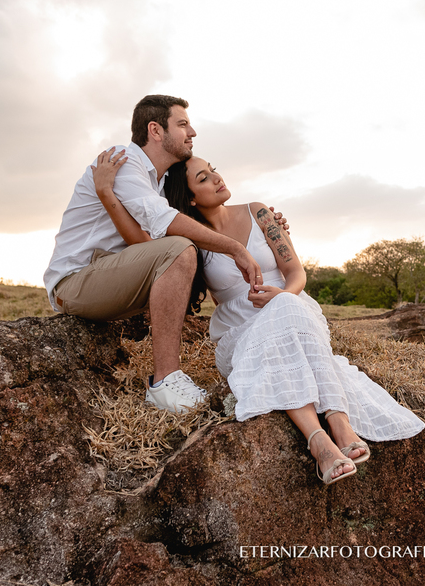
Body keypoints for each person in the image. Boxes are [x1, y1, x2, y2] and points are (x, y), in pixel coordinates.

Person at [92, 153, 425, 485]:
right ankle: (332, 432)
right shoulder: (191, 238)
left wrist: (284, 296)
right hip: (240, 331)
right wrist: (107, 192)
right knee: (287, 341)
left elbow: (295, 272)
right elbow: (143, 243)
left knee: (287, 313)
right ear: (189, 196)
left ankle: (327, 434)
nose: (217, 178)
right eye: (203, 178)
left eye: (214, 170)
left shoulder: (259, 211)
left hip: (296, 310)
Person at [43, 95, 273, 416]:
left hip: (111, 279)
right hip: (76, 282)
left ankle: (170, 379)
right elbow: (165, 228)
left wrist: (264, 226)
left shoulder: (160, 182)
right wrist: (235, 248)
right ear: (155, 130)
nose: (191, 131)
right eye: (182, 124)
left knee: (178, 247)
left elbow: (144, 241)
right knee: (180, 248)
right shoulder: (123, 160)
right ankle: (164, 382)